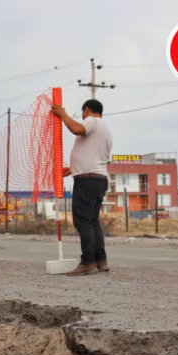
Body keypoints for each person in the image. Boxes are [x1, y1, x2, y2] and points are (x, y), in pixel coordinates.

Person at [51, 99, 112, 276]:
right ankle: (100, 260)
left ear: (86, 110)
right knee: (92, 221)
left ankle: (87, 262)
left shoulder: (91, 121)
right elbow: (94, 156)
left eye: (83, 112)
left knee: (83, 221)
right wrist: (73, 169)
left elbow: (77, 129)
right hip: (97, 179)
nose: (83, 116)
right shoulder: (105, 129)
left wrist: (63, 114)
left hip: (87, 181)